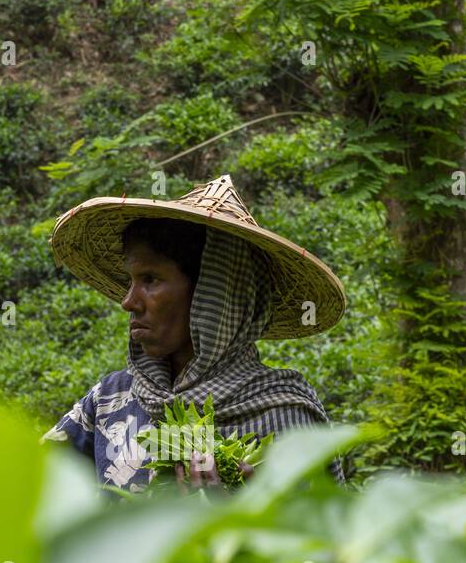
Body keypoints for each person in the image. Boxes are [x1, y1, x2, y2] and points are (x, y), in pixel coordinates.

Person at [40, 174, 347, 494]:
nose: (128, 301)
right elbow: (27, 487)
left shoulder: (286, 416)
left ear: (212, 296)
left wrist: (239, 516)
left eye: (151, 280)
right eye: (131, 281)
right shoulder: (109, 400)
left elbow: (319, 535)